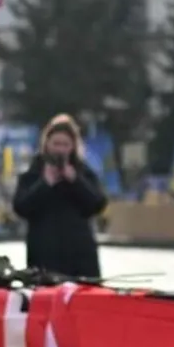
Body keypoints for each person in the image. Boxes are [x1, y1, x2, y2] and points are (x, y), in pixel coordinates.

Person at [11, 113, 106, 278]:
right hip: (44, 255)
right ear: (46, 144)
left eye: (65, 145)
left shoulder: (83, 172)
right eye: (56, 144)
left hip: (80, 256)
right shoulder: (33, 172)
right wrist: (45, 183)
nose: (60, 149)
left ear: (73, 146)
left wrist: (75, 181)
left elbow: (97, 204)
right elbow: (21, 207)